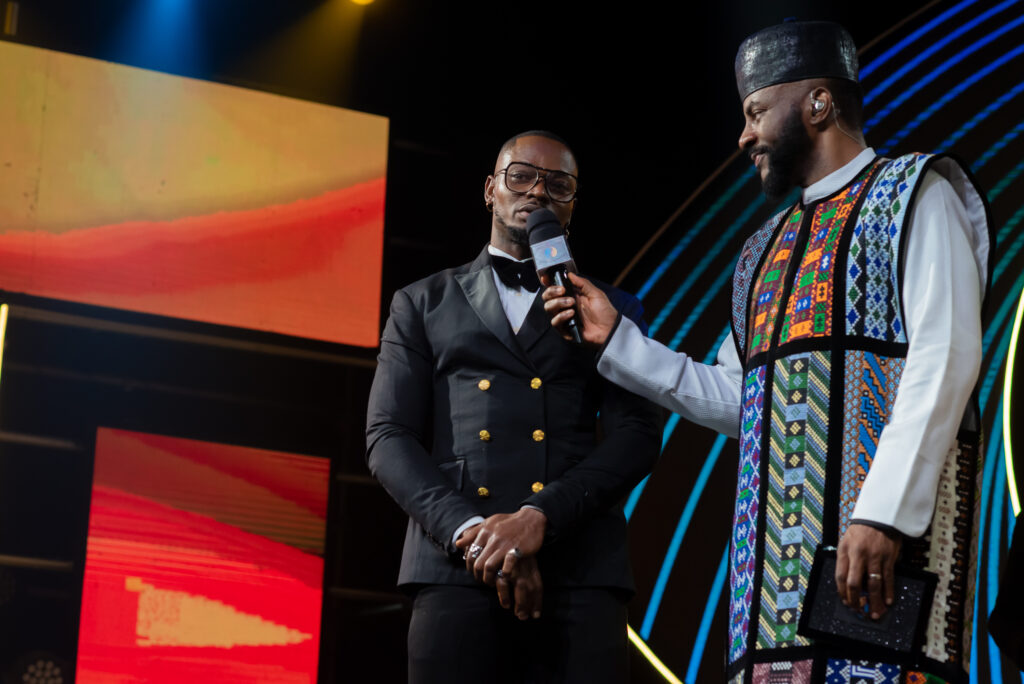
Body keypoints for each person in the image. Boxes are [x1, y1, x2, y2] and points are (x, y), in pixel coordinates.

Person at [543, 21, 991, 684]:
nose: (744, 135)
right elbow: (746, 401)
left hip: (878, 553)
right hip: (772, 591)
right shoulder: (762, 251)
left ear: (817, 104)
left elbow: (945, 355)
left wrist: (883, 512)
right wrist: (619, 343)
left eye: (755, 112)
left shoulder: (917, 195)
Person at [366, 130, 662, 683]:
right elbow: (387, 436)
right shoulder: (422, 301)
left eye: (558, 184)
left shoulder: (611, 307)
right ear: (490, 190)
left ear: (572, 205)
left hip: (580, 569)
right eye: (520, 176)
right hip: (454, 564)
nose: (537, 193)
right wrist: (474, 533)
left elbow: (638, 436)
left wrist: (538, 518)